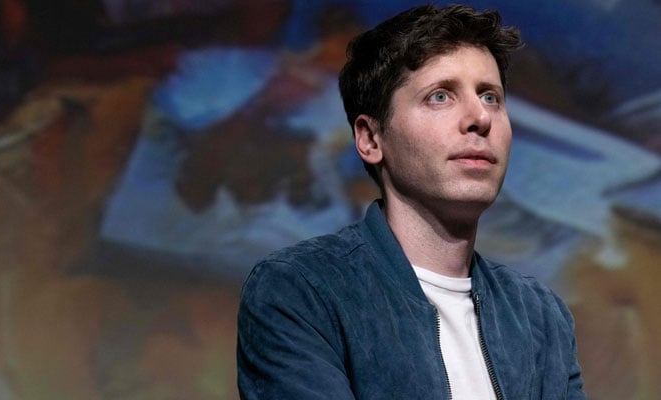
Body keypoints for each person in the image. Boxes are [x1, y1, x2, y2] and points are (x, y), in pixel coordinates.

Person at [237, 3, 585, 399]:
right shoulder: (301, 291)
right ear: (370, 139)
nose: (480, 118)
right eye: (440, 96)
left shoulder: (541, 316)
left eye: (490, 97)